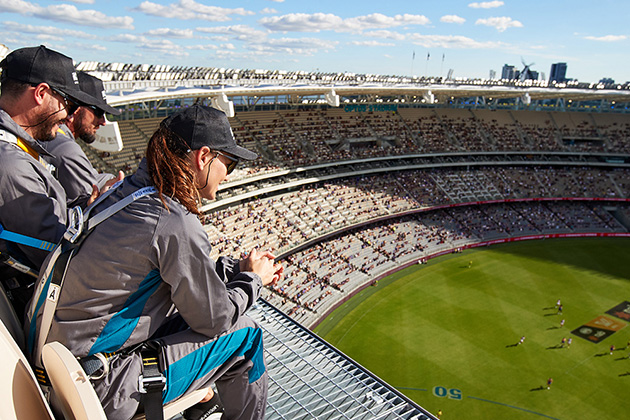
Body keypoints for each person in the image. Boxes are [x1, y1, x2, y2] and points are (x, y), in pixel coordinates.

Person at [30, 105, 283, 420]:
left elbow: (160, 277)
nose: (228, 174)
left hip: (59, 367)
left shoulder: (124, 194)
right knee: (246, 335)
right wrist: (252, 281)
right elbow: (215, 319)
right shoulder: (173, 219)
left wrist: (233, 269)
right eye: (228, 163)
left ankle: (204, 404)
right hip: (101, 384)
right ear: (203, 157)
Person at [0, 45, 95, 317]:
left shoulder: (16, 150)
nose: (67, 113)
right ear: (41, 94)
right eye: (66, 100)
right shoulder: (12, 164)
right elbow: (58, 256)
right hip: (34, 305)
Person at [40, 71, 122, 208]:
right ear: (76, 108)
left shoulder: (55, 137)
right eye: (98, 112)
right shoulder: (66, 149)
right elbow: (91, 208)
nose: (103, 122)